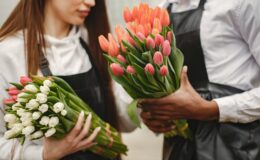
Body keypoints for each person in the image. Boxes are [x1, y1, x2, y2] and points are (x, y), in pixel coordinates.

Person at [0, 0, 135, 160]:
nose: (91, 2)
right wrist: (42, 155)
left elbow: (125, 121)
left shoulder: (95, 43)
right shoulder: (8, 54)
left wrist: (142, 90)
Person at [140, 0, 260, 160]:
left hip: (239, 145)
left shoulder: (241, 4)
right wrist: (157, 116)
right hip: (182, 148)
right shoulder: (159, 12)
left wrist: (212, 109)